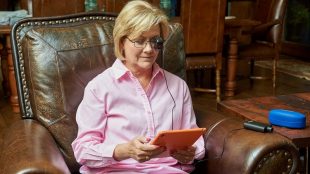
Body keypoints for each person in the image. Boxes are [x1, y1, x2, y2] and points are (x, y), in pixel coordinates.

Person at [71, 0, 205, 173]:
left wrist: (192, 152)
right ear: (121, 43)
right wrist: (124, 150)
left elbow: (194, 138)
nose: (149, 49)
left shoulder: (178, 87)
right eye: (140, 41)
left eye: (156, 41)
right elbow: (83, 150)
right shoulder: (99, 88)